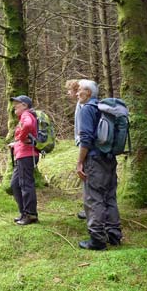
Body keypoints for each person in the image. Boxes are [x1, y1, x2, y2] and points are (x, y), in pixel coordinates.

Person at [75, 80, 122, 250]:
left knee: (94, 197)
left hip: (94, 159)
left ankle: (97, 239)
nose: (76, 93)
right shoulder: (103, 109)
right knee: (110, 196)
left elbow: (85, 138)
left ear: (88, 92)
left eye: (79, 90)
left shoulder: (87, 109)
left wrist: (80, 161)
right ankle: (114, 234)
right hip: (109, 158)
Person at [8, 95, 40, 226]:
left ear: (25, 106)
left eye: (18, 103)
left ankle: (31, 215)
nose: (14, 105)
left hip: (27, 155)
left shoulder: (27, 115)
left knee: (26, 185)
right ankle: (24, 212)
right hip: (23, 154)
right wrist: (16, 143)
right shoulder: (24, 116)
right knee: (15, 184)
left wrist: (20, 138)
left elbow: (27, 125)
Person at [65, 79, 87, 220]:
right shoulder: (80, 105)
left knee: (86, 176)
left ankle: (89, 208)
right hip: (83, 145)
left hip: (85, 146)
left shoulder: (82, 106)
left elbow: (83, 130)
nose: (68, 93)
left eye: (70, 90)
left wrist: (80, 157)